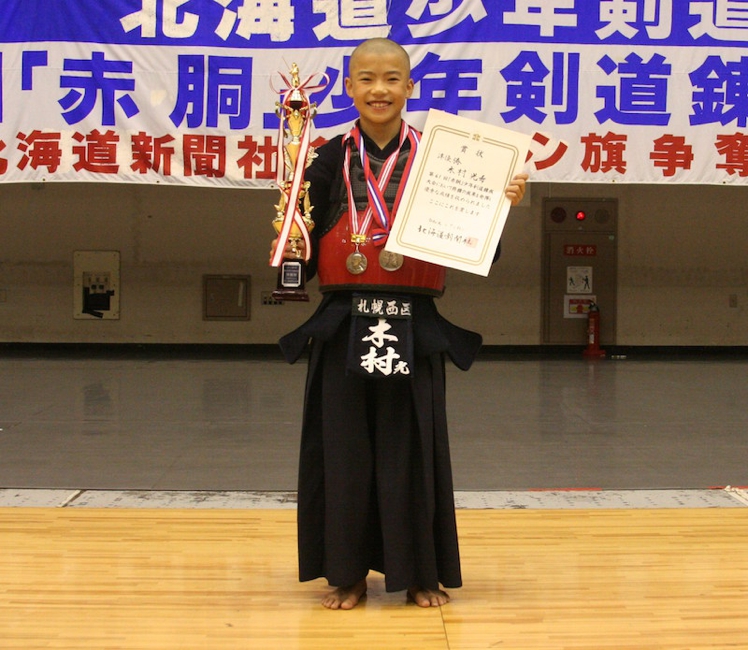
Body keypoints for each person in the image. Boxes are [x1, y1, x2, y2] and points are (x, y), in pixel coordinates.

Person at [270, 38, 528, 610]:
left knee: (411, 452)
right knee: (343, 453)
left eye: (391, 79)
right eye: (366, 79)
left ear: (410, 87)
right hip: (343, 321)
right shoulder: (324, 159)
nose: (379, 90)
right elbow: (301, 253)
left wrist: (498, 206)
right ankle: (347, 573)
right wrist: (291, 232)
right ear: (348, 88)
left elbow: (478, 252)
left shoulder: (441, 159)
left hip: (414, 322)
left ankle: (418, 573)